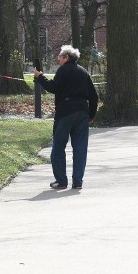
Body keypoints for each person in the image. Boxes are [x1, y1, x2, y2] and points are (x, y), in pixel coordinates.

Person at [34, 44, 99, 190]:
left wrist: (40, 77)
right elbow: (94, 97)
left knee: (58, 148)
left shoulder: (63, 70)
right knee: (80, 148)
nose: (58, 60)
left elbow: (53, 87)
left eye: (60, 57)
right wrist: (91, 115)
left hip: (65, 112)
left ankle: (61, 181)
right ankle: (78, 182)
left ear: (67, 57)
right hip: (82, 112)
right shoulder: (83, 72)